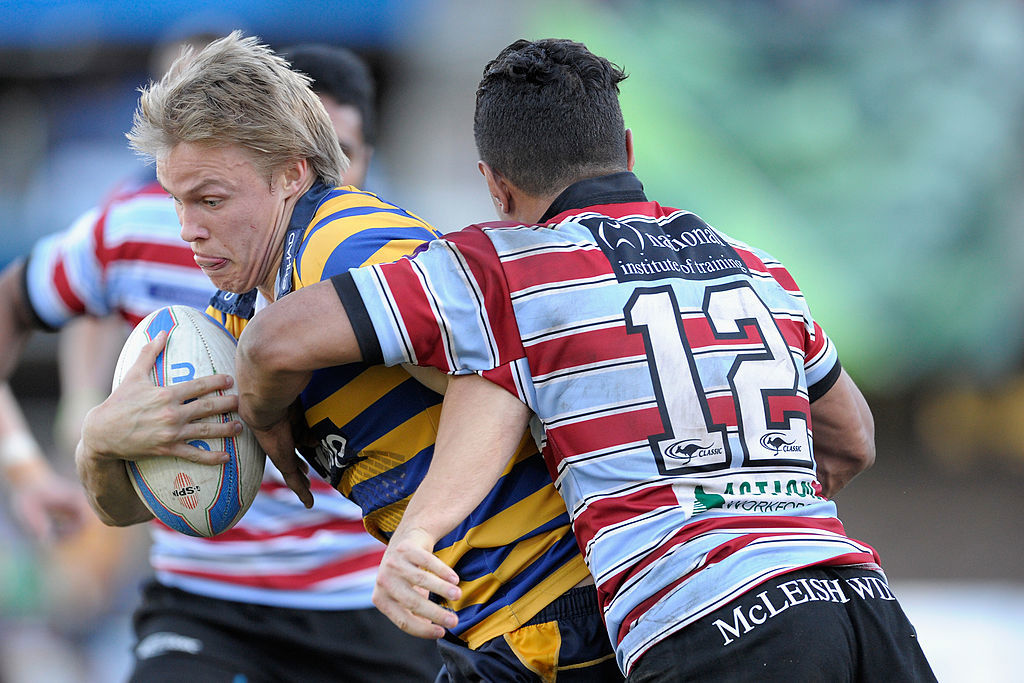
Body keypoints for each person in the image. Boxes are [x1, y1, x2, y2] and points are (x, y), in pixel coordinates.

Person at [234, 38, 938, 681]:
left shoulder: (503, 267)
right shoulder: (754, 266)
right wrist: (756, 504)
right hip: (861, 603)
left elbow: (275, 338)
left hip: (713, 622)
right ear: (627, 149)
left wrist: (268, 420)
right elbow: (853, 438)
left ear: (495, 185)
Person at [77, 32, 620, 682]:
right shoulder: (235, 309)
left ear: (290, 172)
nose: (188, 227)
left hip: (554, 609)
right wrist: (102, 447)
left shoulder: (344, 242)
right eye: (177, 201)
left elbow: (499, 372)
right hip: (486, 627)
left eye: (211, 199)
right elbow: (164, 498)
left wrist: (418, 529)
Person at [0, 39, 445, 682]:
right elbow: (19, 306)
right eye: (188, 200)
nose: (332, 179)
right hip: (206, 600)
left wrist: (426, 530)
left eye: (343, 156)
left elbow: (499, 386)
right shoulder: (156, 246)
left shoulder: (374, 258)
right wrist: (68, 449)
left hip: (373, 596)